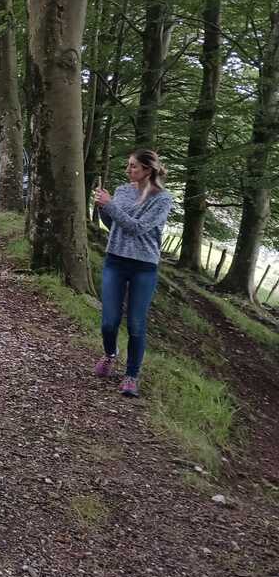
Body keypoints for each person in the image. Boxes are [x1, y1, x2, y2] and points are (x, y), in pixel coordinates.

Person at [92, 149, 173, 398]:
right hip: (115, 260)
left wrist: (110, 206)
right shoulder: (122, 190)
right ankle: (110, 354)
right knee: (109, 322)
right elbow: (114, 224)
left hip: (144, 266)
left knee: (136, 323)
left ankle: (131, 376)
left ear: (148, 170)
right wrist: (102, 208)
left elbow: (137, 228)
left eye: (134, 166)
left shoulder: (163, 199)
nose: (128, 170)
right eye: (128, 165)